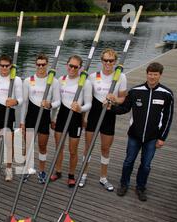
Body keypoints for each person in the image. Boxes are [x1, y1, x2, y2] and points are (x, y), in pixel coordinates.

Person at [107, 62, 174, 201]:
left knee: (146, 165)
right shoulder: (135, 91)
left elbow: (168, 118)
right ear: (147, 74)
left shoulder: (167, 94)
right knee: (128, 161)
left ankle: (140, 187)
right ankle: (124, 184)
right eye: (150, 74)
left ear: (160, 75)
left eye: (155, 75)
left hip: (152, 137)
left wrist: (162, 138)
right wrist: (111, 108)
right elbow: (124, 108)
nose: (152, 77)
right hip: (135, 135)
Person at [79, 48, 128, 191]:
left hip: (109, 115)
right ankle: (84, 174)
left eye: (111, 61)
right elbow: (86, 99)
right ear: (101, 61)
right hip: (93, 116)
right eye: (105, 60)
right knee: (88, 147)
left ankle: (103, 177)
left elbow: (123, 99)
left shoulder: (121, 77)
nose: (108, 63)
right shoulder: (93, 76)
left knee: (105, 148)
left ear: (115, 62)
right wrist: (83, 118)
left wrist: (115, 99)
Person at [50, 55, 92, 187]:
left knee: (73, 150)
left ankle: (71, 175)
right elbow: (56, 101)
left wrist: (80, 108)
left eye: (76, 67)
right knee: (59, 148)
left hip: (75, 118)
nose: (72, 69)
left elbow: (89, 104)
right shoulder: (60, 80)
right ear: (66, 65)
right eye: (70, 65)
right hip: (61, 116)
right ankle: (58, 171)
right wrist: (52, 117)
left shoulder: (85, 82)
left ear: (80, 68)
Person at [20, 53, 60, 184]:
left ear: (47, 64)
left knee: (42, 146)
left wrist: (50, 104)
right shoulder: (28, 81)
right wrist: (22, 122)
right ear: (35, 65)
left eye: (43, 64)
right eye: (38, 64)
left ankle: (42, 171)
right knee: (28, 146)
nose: (41, 67)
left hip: (44, 118)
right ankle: (27, 169)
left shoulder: (53, 81)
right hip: (30, 117)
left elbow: (57, 102)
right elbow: (24, 103)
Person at [0, 53, 23, 182]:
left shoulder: (16, 80)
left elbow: (21, 99)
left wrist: (15, 102)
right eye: (2, 65)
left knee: (9, 144)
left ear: (10, 66)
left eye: (7, 66)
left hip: (9, 114)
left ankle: (8, 169)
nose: (4, 68)